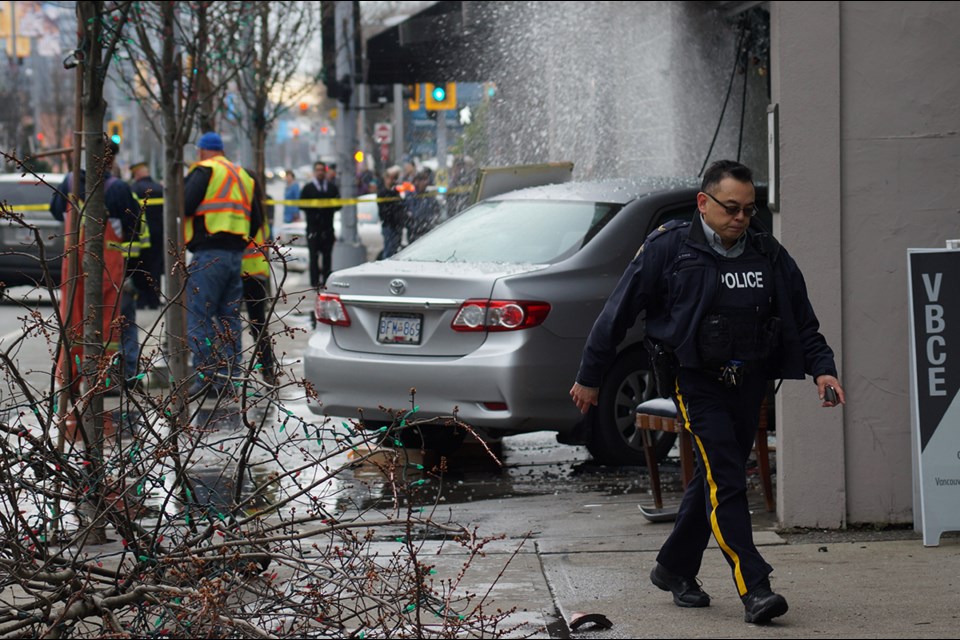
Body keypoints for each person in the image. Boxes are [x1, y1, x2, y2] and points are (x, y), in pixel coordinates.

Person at [569, 160, 845, 625]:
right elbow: (615, 315)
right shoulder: (668, 248)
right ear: (704, 202)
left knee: (718, 476)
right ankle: (754, 587)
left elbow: (802, 319)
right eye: (731, 208)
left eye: (749, 209)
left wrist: (823, 370)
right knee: (729, 480)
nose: (741, 217)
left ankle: (674, 567)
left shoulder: (766, 252)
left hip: (749, 381)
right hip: (694, 380)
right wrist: (590, 376)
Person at [50, 140, 139, 394]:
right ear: (110, 160)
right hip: (107, 263)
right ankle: (104, 379)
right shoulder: (117, 188)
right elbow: (134, 226)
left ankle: (70, 376)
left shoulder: (69, 183)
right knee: (108, 319)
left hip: (73, 261)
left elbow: (56, 211)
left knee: (73, 319)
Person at [183, 131, 262, 398]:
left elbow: (183, 204)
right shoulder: (243, 175)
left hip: (209, 254)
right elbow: (256, 218)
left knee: (199, 315)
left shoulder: (205, 170)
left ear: (202, 151)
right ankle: (229, 379)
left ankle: (206, 377)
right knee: (229, 319)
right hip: (235, 257)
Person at [241, 170, 277, 385]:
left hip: (241, 269)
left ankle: (232, 374)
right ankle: (268, 372)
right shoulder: (260, 205)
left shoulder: (243, 207)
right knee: (258, 325)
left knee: (228, 323)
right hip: (257, 271)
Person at [298, 161, 340, 290]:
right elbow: (302, 205)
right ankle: (315, 282)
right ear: (314, 172)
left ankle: (326, 280)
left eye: (322, 170)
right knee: (314, 256)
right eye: (318, 170)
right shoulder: (308, 188)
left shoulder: (332, 188)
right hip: (313, 228)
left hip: (327, 228)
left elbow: (338, 205)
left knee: (327, 256)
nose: (320, 172)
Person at [129, 161, 165, 310]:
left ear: (137, 174)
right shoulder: (160, 189)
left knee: (140, 267)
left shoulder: (134, 189)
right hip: (159, 234)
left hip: (141, 236)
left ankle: (141, 299)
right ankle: (154, 299)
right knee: (156, 267)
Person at [377, 165, 406, 258]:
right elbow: (384, 211)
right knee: (389, 251)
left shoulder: (396, 192)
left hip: (396, 225)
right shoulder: (383, 193)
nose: (393, 181)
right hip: (389, 225)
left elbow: (401, 206)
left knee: (395, 251)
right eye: (391, 178)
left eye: (395, 178)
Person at [405, 169, 439, 243]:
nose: (426, 183)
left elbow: (435, 210)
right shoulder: (411, 195)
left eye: (426, 180)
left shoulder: (429, 195)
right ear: (417, 182)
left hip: (428, 230)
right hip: (415, 231)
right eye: (423, 180)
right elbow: (412, 212)